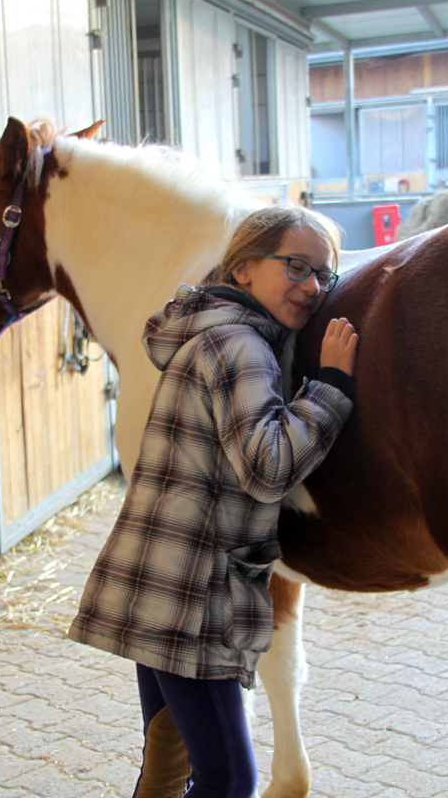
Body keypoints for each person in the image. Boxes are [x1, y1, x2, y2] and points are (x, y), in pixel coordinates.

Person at [68, 204, 359, 797]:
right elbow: (267, 467)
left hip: (160, 585)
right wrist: (330, 388)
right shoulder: (240, 348)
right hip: (192, 599)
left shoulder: (208, 332)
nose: (311, 287)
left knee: (166, 768)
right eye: (296, 267)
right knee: (228, 780)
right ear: (245, 267)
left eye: (323, 276)